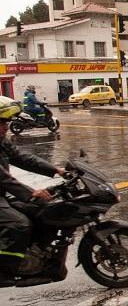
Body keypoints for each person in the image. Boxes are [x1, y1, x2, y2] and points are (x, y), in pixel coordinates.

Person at [0, 97, 65, 283]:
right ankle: (7, 270)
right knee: (19, 224)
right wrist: (30, 193)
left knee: (41, 208)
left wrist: (56, 170)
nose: (6, 127)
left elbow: (24, 158)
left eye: (7, 122)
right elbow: (4, 179)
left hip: (3, 196)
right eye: (2, 122)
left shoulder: (1, 142)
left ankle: (35, 256)